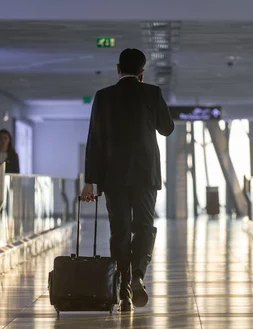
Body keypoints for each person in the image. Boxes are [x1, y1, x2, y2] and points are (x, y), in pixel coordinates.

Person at [81, 48, 174, 312]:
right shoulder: (151, 93)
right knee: (144, 226)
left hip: (113, 177)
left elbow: (94, 140)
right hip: (146, 175)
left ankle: (123, 287)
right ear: (142, 72)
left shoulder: (103, 97)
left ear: (118, 68)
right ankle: (138, 274)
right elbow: (167, 129)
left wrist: (90, 181)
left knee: (120, 229)